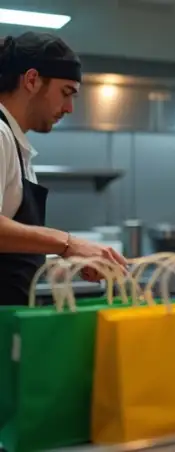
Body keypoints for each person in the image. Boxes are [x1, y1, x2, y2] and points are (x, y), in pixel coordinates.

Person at [0, 32, 127, 306]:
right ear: (32, 80)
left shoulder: (15, 142)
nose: (69, 108)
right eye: (66, 93)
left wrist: (64, 257)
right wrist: (68, 243)